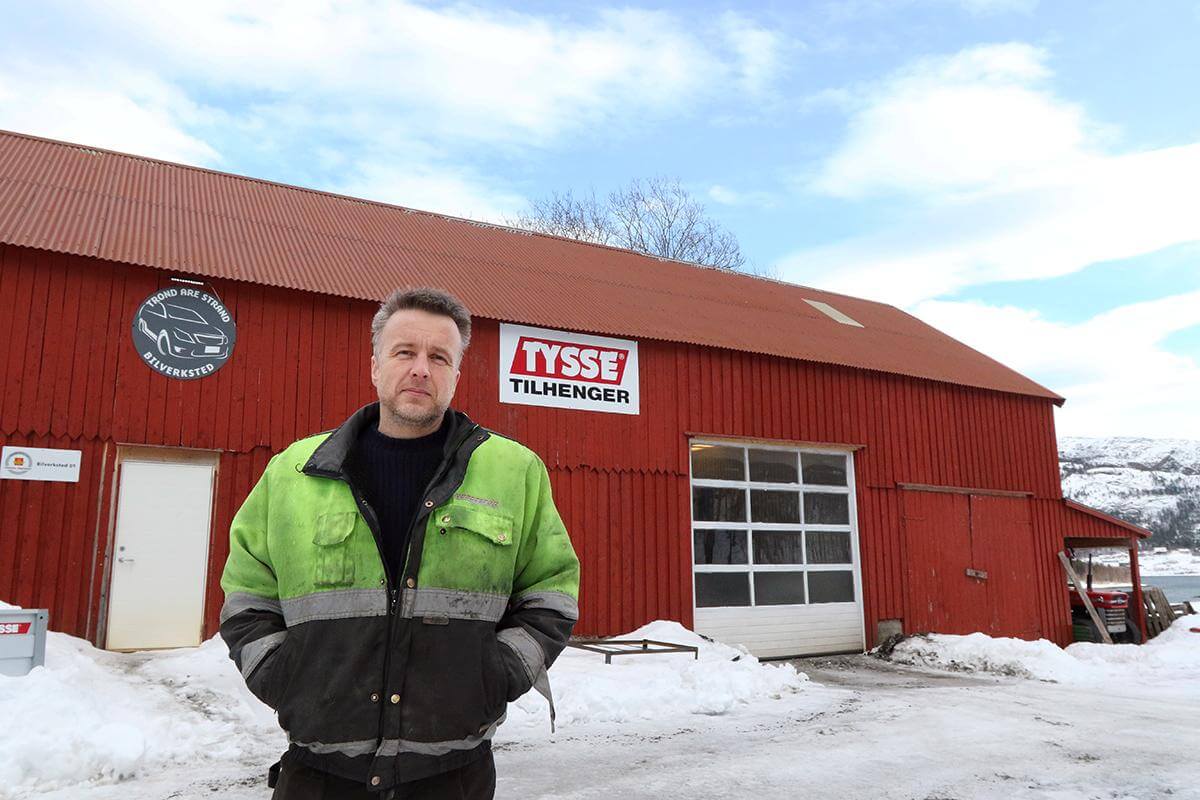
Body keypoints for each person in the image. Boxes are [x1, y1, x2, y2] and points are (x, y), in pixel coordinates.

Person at [219, 287, 581, 799]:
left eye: (439, 357)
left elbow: (551, 592)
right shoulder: (293, 472)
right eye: (404, 352)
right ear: (375, 366)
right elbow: (247, 592)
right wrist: (281, 677)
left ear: (456, 375)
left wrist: (496, 675)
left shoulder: (515, 472)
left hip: (454, 776)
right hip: (317, 774)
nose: (421, 369)